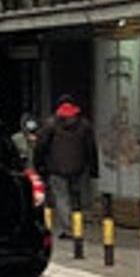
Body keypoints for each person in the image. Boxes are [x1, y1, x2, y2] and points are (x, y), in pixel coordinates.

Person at [35, 94, 99, 239]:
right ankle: (77, 225)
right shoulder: (84, 125)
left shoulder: (50, 125)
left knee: (62, 198)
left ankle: (68, 228)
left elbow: (41, 147)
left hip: (56, 168)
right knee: (77, 197)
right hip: (79, 168)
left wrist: (39, 165)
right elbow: (91, 148)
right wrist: (93, 168)